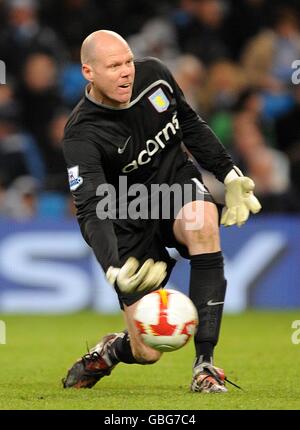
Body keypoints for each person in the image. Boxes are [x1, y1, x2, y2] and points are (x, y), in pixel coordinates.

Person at [62, 30, 261, 393]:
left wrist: (228, 172)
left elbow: (187, 122)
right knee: (148, 351)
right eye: (113, 66)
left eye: (127, 62)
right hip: (125, 214)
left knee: (203, 223)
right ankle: (113, 350)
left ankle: (205, 366)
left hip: (175, 185)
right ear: (88, 73)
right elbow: (90, 208)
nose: (126, 73)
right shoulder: (81, 134)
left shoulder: (153, 74)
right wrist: (114, 268)